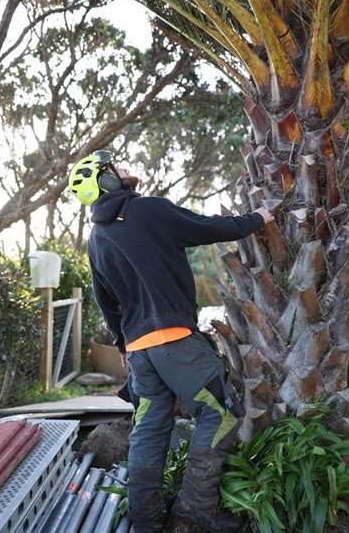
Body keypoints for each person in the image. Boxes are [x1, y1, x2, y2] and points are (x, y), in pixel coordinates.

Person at [68, 150, 274, 533]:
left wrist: (124, 347)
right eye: (116, 168)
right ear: (106, 180)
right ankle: (197, 506)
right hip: (176, 342)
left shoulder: (96, 239)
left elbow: (105, 301)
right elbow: (207, 228)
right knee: (221, 414)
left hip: (141, 352)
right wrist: (257, 218)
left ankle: (145, 519)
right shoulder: (146, 210)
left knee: (149, 427)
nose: (124, 169)